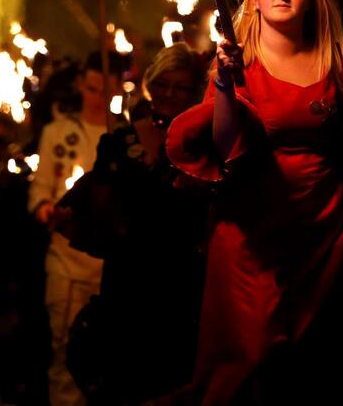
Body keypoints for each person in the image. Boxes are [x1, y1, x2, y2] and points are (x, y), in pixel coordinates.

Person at [166, 0, 343, 405]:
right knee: (248, 358)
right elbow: (227, 148)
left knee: (316, 368)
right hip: (253, 234)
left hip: (325, 229)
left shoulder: (337, 63)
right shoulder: (235, 63)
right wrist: (226, 87)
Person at [61, 42, 209, 403]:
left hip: (180, 278)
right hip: (128, 277)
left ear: (195, 91)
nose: (170, 95)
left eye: (181, 87)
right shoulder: (120, 140)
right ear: (149, 84)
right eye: (163, 84)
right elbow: (97, 211)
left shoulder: (204, 143)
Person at [28, 52, 124, 406]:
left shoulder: (125, 136)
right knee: (65, 357)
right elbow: (39, 190)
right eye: (90, 88)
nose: (96, 97)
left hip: (109, 271)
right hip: (65, 265)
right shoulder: (58, 132)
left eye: (104, 90)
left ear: (117, 89)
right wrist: (46, 210)